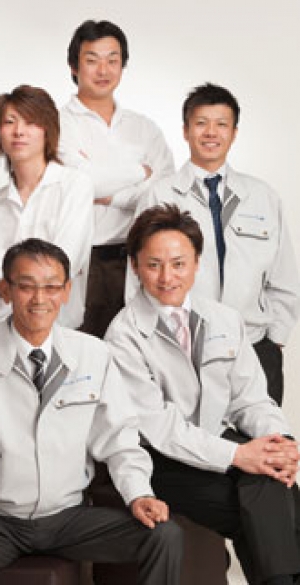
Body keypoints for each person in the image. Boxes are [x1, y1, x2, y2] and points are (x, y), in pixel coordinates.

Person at [0, 238, 182, 585]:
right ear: (5, 290)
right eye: (26, 286)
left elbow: (119, 440)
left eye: (51, 287)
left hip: (69, 518)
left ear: (66, 292)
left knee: (163, 535)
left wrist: (139, 493)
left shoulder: (93, 354)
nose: (39, 298)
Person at [107, 204, 300, 585]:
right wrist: (241, 455)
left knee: (268, 483)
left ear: (197, 263)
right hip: (164, 461)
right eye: (153, 265)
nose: (167, 277)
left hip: (222, 444)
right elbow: (161, 428)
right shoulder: (123, 336)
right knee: (270, 503)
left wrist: (281, 442)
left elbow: (251, 399)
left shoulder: (225, 319)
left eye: (178, 264)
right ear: (134, 266)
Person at [131, 83, 300, 404]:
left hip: (254, 348)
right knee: (184, 435)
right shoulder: (159, 195)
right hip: (182, 352)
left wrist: (275, 342)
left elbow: (284, 278)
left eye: (221, 124)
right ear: (185, 131)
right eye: (201, 123)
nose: (211, 132)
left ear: (234, 133)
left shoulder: (263, 197)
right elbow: (137, 280)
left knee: (262, 434)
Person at [59, 19, 174, 338]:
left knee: (137, 348)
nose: (103, 70)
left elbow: (165, 190)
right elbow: (80, 183)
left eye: (112, 60)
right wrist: (139, 172)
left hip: (138, 256)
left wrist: (110, 195)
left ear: (123, 65)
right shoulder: (58, 124)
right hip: (85, 258)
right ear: (74, 66)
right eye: (92, 60)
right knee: (84, 347)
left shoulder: (144, 127)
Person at [0, 84, 94, 331]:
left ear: (48, 130)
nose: (18, 131)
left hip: (58, 330)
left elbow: (63, 264)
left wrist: (0, 276)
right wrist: (25, 268)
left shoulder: (74, 186)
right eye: (9, 122)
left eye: (30, 122)